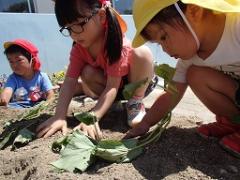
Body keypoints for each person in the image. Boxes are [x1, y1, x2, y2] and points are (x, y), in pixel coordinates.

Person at [126, 0, 240, 158]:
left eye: (164, 37)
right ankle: (233, 123)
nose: (165, 50)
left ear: (194, 11)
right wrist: (145, 123)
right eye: (158, 44)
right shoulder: (189, 58)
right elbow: (170, 94)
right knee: (195, 75)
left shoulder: (236, 27)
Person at [37, 0, 155, 139]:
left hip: (135, 84)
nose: (74, 34)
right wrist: (59, 116)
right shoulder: (79, 49)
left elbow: (112, 86)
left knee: (142, 52)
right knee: (87, 72)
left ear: (101, 16)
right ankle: (112, 105)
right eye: (68, 28)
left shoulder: (117, 43)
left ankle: (135, 103)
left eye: (79, 25)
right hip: (113, 90)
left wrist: (92, 117)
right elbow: (69, 81)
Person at [0, 39, 54, 108]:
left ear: (32, 60)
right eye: (11, 61)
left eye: (19, 60)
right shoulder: (13, 78)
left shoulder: (42, 77)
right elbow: (8, 90)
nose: (14, 65)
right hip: (17, 108)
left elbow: (50, 94)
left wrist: (47, 105)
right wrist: (4, 99)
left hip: (37, 107)